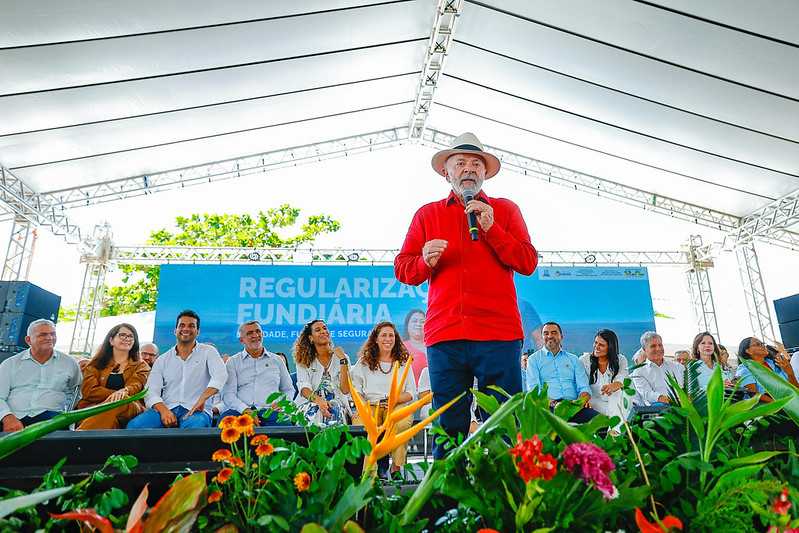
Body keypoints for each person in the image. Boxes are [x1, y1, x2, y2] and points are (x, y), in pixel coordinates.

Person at [394, 132, 537, 458]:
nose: (469, 169)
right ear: (447, 172)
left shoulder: (505, 210)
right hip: (446, 335)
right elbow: (403, 268)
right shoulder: (427, 215)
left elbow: (527, 262)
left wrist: (492, 230)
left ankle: (503, 499)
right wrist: (423, 261)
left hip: (498, 334)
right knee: (449, 427)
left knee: (503, 423)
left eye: (476, 164)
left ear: (485, 173)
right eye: (460, 163)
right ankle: (448, 504)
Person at [127, 310, 227, 429]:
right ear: (175, 331)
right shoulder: (163, 359)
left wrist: (203, 398)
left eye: (191, 326)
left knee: (194, 428)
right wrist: (163, 410)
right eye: (182, 325)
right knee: (134, 426)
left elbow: (220, 376)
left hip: (196, 411)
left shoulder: (208, 352)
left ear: (198, 332)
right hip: (166, 408)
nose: (186, 329)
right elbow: (150, 391)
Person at [351, 322, 417, 477]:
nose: (388, 339)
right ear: (375, 339)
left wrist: (395, 399)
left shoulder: (403, 362)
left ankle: (396, 468)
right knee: (365, 426)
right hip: (370, 405)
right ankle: (370, 472)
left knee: (400, 423)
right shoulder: (364, 362)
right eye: (384, 335)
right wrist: (362, 408)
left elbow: (411, 393)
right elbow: (356, 390)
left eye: (391, 335)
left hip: (396, 405)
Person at [0, 319, 81, 432]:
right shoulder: (11, 363)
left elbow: (75, 392)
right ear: (28, 340)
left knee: (59, 433)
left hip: (51, 418)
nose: (49, 338)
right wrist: (7, 417)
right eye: (43, 335)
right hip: (13, 415)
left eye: (53, 334)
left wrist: (64, 412)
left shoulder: (70, 363)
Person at [77, 323, 150, 430]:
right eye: (122, 335)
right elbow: (89, 391)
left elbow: (136, 385)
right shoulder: (94, 364)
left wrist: (124, 392)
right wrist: (116, 394)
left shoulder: (141, 366)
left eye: (131, 336)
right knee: (111, 421)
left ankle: (80, 436)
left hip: (130, 406)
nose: (127, 338)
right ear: (111, 340)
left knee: (120, 400)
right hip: (94, 407)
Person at [221, 321, 295, 425]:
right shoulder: (233, 362)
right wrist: (244, 409)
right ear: (241, 340)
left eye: (258, 331)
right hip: (240, 412)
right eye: (249, 333)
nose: (255, 335)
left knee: (285, 425)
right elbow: (228, 394)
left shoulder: (277, 360)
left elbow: (288, 389)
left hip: (271, 411)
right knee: (226, 426)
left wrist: (282, 403)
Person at [526, 322, 597, 423]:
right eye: (546, 333)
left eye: (554, 333)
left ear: (561, 336)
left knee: (601, 423)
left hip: (574, 406)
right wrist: (553, 403)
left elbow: (584, 388)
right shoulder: (533, 360)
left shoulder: (574, 359)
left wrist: (579, 402)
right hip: (548, 408)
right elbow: (534, 390)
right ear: (542, 337)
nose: (550, 336)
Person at [293, 320, 351, 426]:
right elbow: (304, 389)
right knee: (314, 410)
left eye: (325, 328)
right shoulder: (303, 360)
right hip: (310, 402)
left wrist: (343, 361)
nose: (323, 331)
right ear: (311, 338)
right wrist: (319, 401)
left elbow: (346, 390)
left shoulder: (343, 358)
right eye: (318, 330)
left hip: (337, 403)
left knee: (334, 408)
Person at [579, 329, 629, 423]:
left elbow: (622, 377)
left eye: (601, 345)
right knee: (617, 413)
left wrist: (614, 385)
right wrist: (583, 398)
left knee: (619, 394)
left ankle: (615, 428)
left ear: (610, 347)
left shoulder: (621, 359)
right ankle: (616, 428)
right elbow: (581, 384)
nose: (596, 347)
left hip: (615, 401)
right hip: (595, 402)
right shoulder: (584, 360)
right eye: (596, 343)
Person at [735, 337, 799, 402]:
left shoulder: (775, 363)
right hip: (770, 407)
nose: (763, 346)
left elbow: (796, 388)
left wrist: (790, 373)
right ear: (748, 351)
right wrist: (781, 405)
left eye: (762, 343)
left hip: (790, 402)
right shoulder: (745, 368)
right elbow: (754, 394)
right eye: (758, 344)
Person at [630, 332, 684, 407]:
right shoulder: (638, 372)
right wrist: (670, 401)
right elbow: (647, 394)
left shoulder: (677, 366)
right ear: (644, 350)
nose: (658, 349)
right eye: (653, 346)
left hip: (682, 407)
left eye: (660, 345)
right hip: (658, 411)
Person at [402, 309, 427, 384]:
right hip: (409, 394)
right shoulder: (401, 348)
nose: (418, 324)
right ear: (407, 325)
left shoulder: (434, 347)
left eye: (422, 322)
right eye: (414, 321)